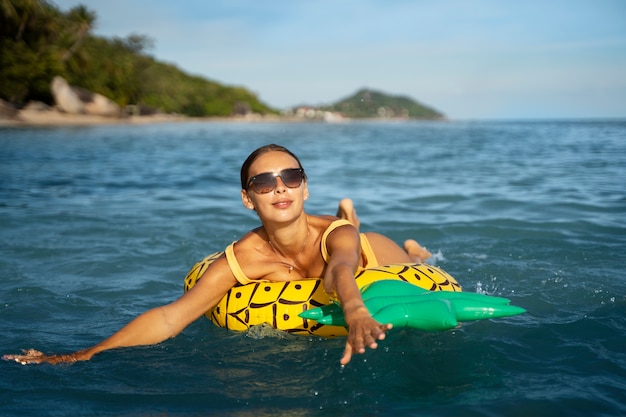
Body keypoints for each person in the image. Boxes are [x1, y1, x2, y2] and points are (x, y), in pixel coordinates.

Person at [3, 144, 431, 366]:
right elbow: (173, 317)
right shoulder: (243, 257)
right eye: (264, 183)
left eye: (291, 177)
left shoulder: (333, 237)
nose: (279, 187)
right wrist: (79, 355)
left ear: (304, 188)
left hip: (367, 253)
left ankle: (381, 231)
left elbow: (339, 268)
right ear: (248, 199)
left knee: (418, 265)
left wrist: (354, 311)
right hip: (322, 254)